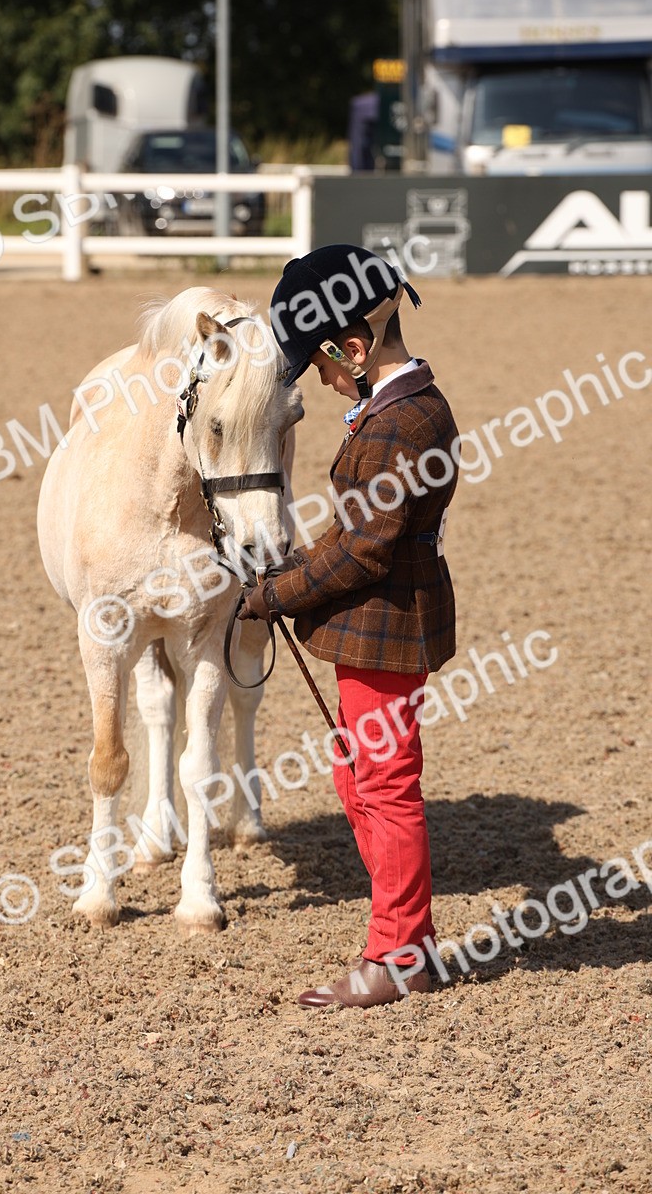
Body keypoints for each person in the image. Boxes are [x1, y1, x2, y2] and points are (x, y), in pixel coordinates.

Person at [238, 244, 459, 1009]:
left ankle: (396, 954)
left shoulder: (402, 425)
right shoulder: (395, 409)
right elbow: (349, 532)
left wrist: (278, 596)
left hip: (385, 629)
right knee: (356, 771)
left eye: (323, 367)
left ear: (354, 349)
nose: (323, 382)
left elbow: (363, 552)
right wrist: (285, 574)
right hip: (376, 628)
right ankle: (413, 939)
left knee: (388, 786)